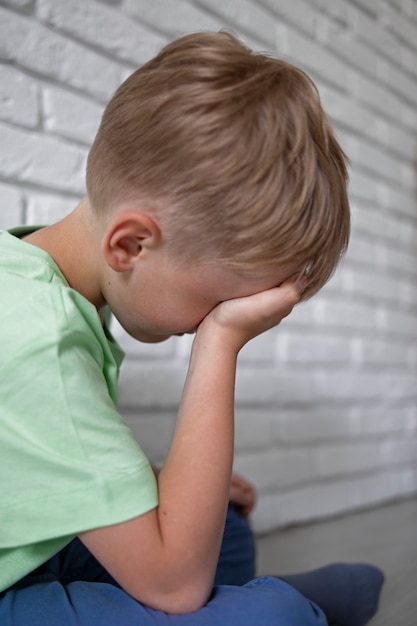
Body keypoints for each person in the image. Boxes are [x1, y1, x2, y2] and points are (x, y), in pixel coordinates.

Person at [0, 31, 384, 626]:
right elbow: (175, 586)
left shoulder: (33, 276)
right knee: (266, 611)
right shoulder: (39, 340)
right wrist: (220, 343)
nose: (219, 317)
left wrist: (152, 482)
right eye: (221, 301)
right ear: (131, 244)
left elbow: (28, 460)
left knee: (222, 527)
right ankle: (277, 606)